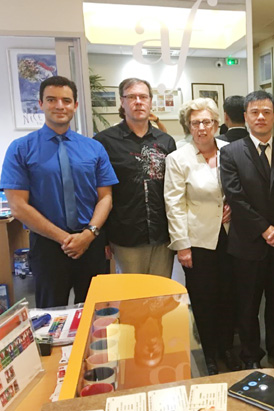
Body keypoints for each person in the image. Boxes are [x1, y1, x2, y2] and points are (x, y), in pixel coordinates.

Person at [0, 76, 118, 308]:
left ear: (75, 105)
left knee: (96, 312)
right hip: (48, 246)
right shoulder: (21, 149)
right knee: (51, 316)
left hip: (90, 242)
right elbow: (18, 206)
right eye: (51, 99)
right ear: (41, 104)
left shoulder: (94, 148)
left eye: (66, 100)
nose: (59, 106)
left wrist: (88, 235)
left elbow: (106, 197)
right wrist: (65, 239)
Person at [220, 90, 274, 370]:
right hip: (248, 242)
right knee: (248, 303)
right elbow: (235, 196)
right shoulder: (230, 152)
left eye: (266, 112)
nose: (260, 117)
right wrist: (265, 229)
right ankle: (250, 354)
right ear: (245, 116)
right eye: (254, 112)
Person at [164, 98, 242, 375]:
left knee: (229, 295)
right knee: (204, 298)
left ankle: (227, 348)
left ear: (217, 124)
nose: (201, 128)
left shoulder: (231, 151)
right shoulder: (178, 158)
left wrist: (234, 205)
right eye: (195, 123)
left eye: (206, 122)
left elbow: (242, 187)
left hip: (231, 237)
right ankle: (209, 352)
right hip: (197, 241)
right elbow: (174, 204)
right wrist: (182, 246)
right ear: (188, 126)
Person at [94, 78, 176, 277]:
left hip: (162, 236)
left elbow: (175, 189)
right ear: (122, 102)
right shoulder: (104, 142)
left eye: (143, 97)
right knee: (132, 293)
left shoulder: (166, 141)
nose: (138, 102)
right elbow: (98, 193)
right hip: (125, 237)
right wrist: (102, 238)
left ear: (150, 101)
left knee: (162, 292)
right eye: (132, 97)